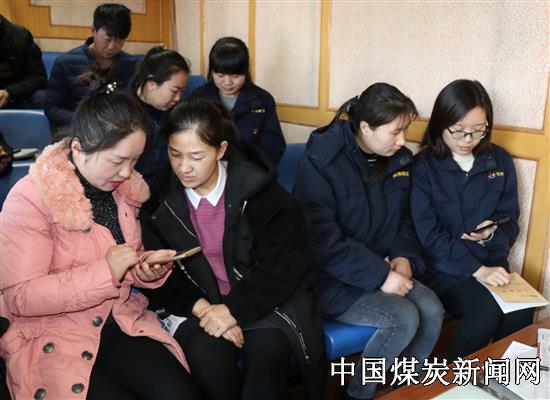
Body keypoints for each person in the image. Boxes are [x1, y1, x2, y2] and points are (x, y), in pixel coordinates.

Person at [0, 91, 201, 400]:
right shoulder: (30, 197)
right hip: (52, 331)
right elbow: (22, 297)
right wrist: (108, 272)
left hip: (119, 318)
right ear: (79, 148)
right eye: (117, 161)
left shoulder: (123, 191)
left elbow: (121, 257)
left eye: (134, 160)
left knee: (182, 394)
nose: (127, 172)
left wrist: (142, 268)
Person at [140, 98, 326, 400]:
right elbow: (165, 278)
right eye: (175, 154)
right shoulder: (158, 201)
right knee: (209, 358)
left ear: (221, 150)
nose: (184, 167)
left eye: (197, 156)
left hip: (261, 299)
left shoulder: (262, 193)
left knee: (267, 354)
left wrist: (231, 310)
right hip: (197, 304)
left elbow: (282, 266)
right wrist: (209, 311)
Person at [293, 83, 444, 400]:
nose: (402, 141)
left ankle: (405, 387)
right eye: (395, 132)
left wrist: (403, 257)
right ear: (365, 127)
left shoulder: (398, 160)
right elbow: (321, 240)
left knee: (432, 308)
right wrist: (380, 275)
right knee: (401, 317)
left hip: (381, 266)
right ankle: (356, 394)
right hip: (327, 278)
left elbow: (405, 219)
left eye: (405, 130)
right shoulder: (323, 160)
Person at [410, 79, 533, 360]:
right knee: (484, 308)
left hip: (491, 262)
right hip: (442, 268)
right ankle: (458, 379)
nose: (468, 140)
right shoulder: (423, 167)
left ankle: (501, 380)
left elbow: (510, 220)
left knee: (521, 309)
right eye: (459, 131)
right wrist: (478, 270)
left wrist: (492, 232)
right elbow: (428, 236)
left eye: (478, 130)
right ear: (441, 124)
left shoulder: (499, 160)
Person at [44, 3, 139, 136]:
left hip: (116, 133)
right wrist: (88, 122)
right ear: (93, 30)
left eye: (119, 41)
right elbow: (51, 108)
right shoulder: (66, 63)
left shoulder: (130, 64)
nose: (112, 47)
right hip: (76, 132)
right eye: (107, 39)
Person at [191, 37, 286, 165]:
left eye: (235, 76)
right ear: (212, 72)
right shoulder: (198, 98)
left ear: (245, 72)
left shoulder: (263, 99)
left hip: (251, 170)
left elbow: (273, 146)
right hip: (207, 168)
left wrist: (245, 168)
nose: (227, 82)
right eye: (220, 75)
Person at [129, 45, 190, 185]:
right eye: (174, 90)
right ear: (151, 84)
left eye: (182, 91)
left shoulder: (176, 112)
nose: (178, 98)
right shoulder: (123, 111)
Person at [0, 14, 47, 109]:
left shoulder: (20, 36)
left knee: (43, 98)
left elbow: (39, 77)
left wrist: (9, 92)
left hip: (19, 92)